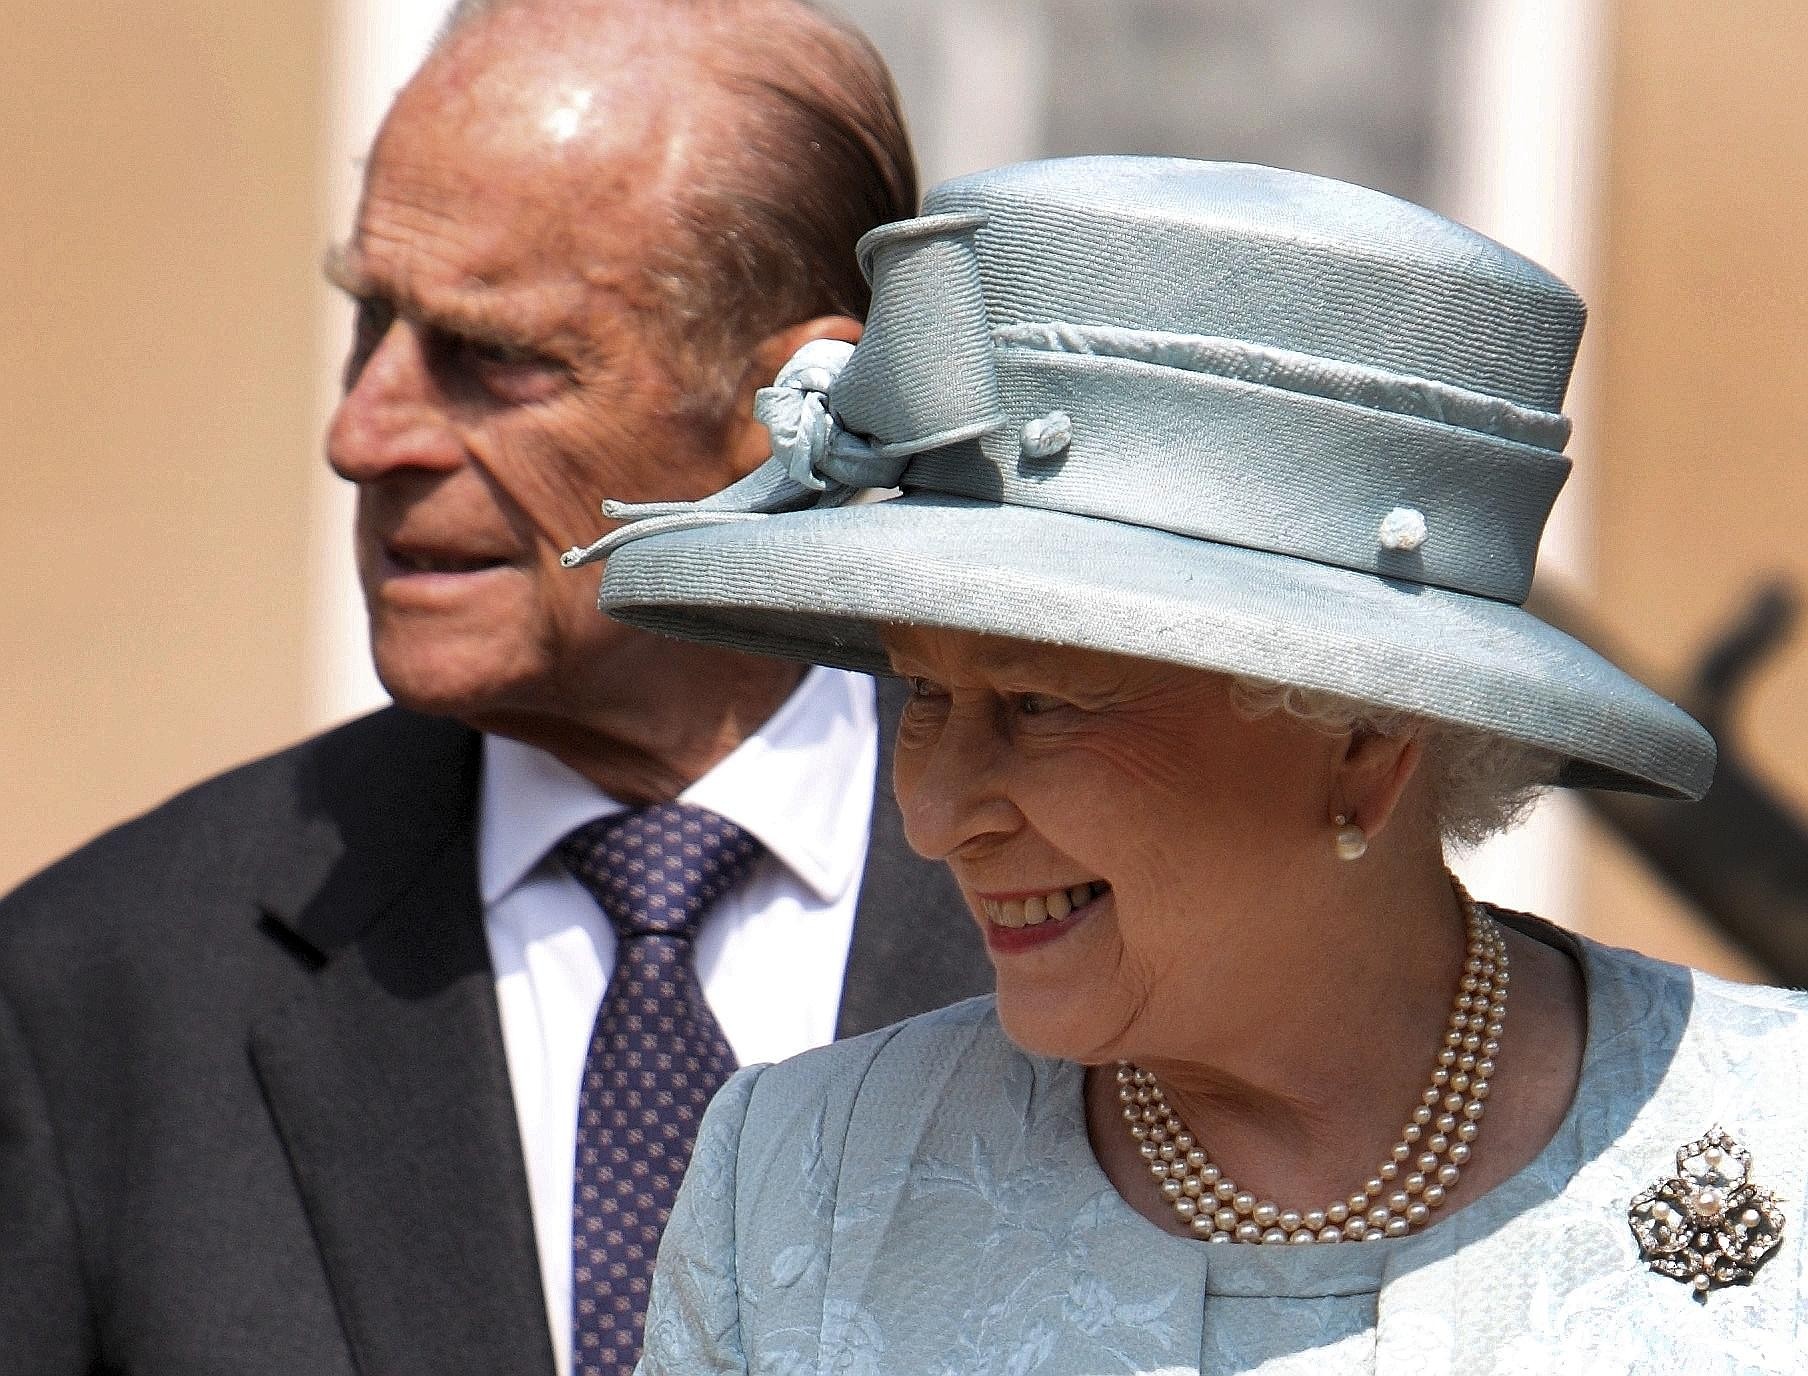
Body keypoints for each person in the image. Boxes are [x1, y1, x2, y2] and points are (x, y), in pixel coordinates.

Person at [579, 157, 1808, 1372]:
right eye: (922, 695)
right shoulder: (802, 1181)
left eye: (1035, 702)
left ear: (1364, 742)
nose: (934, 813)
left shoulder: (1777, 1130)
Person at [0, 3, 989, 1374]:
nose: (363, 433)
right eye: (373, 323)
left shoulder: (1111, 928)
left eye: (496, 357)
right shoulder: (96, 998)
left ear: (788, 403)